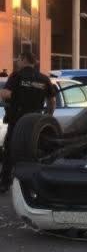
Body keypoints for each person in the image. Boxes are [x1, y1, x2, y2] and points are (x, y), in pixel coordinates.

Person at [0, 51, 56, 193]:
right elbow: (52, 101)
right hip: (36, 123)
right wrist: (47, 116)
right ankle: (34, 185)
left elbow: (6, 94)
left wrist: (6, 95)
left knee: (10, 152)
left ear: (24, 59)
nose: (17, 62)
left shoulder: (17, 76)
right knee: (34, 153)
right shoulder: (43, 79)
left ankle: (5, 183)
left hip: (18, 121)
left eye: (18, 59)